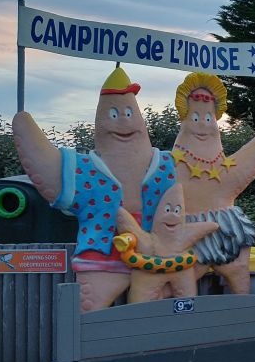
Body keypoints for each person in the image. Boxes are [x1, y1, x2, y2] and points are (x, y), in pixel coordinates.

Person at [12, 66, 177, 311]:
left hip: (156, 258)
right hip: (101, 255)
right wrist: (24, 126)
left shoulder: (166, 165)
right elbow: (52, 173)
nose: (124, 120)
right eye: (114, 114)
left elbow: (198, 185)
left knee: (155, 316)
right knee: (89, 313)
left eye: (129, 113)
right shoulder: (86, 169)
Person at [170, 72, 255, 293]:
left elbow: (249, 161)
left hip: (227, 231)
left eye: (208, 119)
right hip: (186, 233)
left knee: (237, 272)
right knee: (183, 281)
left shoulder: (225, 169)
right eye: (196, 118)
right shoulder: (169, 164)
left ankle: (240, 304)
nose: (202, 124)